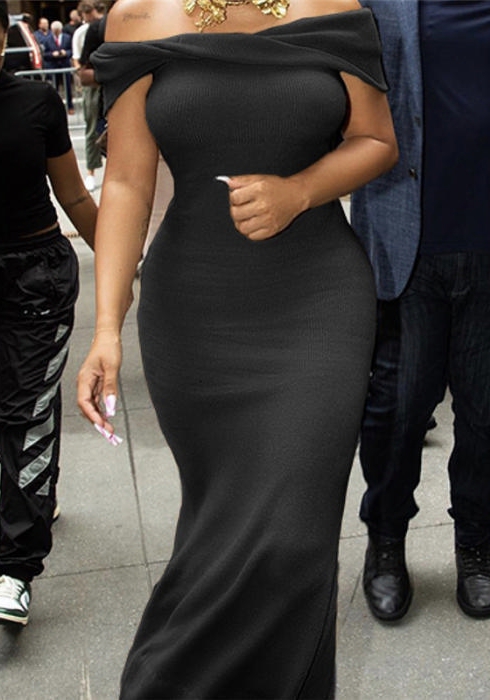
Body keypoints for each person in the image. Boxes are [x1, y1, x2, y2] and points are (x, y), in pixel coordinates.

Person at [77, 0, 397, 696]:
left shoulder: (336, 7)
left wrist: (301, 190)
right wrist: (106, 328)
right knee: (223, 528)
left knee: (290, 538)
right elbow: (127, 180)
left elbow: (377, 140)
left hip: (317, 302)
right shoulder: (138, 16)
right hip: (193, 310)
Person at [351, 0, 490, 622]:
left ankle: (477, 544)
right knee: (397, 413)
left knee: (485, 415)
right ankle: (385, 542)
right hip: (406, 241)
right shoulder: (377, 4)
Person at [0, 5, 97, 627]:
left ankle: (14, 566)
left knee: (27, 412)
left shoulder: (36, 103)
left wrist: (124, 266)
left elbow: (76, 196)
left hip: (35, 275)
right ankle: (33, 500)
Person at [78, 1, 108, 192]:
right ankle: (91, 173)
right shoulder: (94, 29)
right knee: (93, 132)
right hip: (104, 96)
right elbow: (83, 72)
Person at [43, 20, 74, 113]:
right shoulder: (47, 40)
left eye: (58, 30)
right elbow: (44, 54)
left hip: (65, 65)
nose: (56, 32)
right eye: (54, 30)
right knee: (54, 88)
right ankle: (55, 108)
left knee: (68, 87)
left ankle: (70, 106)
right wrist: (52, 54)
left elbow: (72, 50)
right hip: (53, 66)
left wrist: (66, 53)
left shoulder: (67, 38)